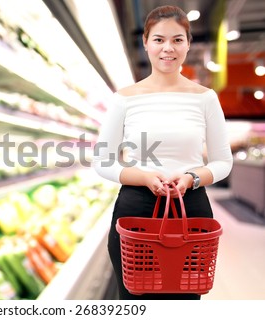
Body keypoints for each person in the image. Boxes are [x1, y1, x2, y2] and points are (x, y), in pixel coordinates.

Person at [92, 5, 233, 300]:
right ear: (145, 43)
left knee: (184, 299)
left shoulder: (206, 99)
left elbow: (223, 162)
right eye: (158, 39)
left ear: (188, 44)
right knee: (135, 300)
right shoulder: (124, 100)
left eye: (177, 39)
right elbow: (102, 161)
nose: (168, 48)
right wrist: (142, 176)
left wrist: (193, 177)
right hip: (135, 209)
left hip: (190, 208)